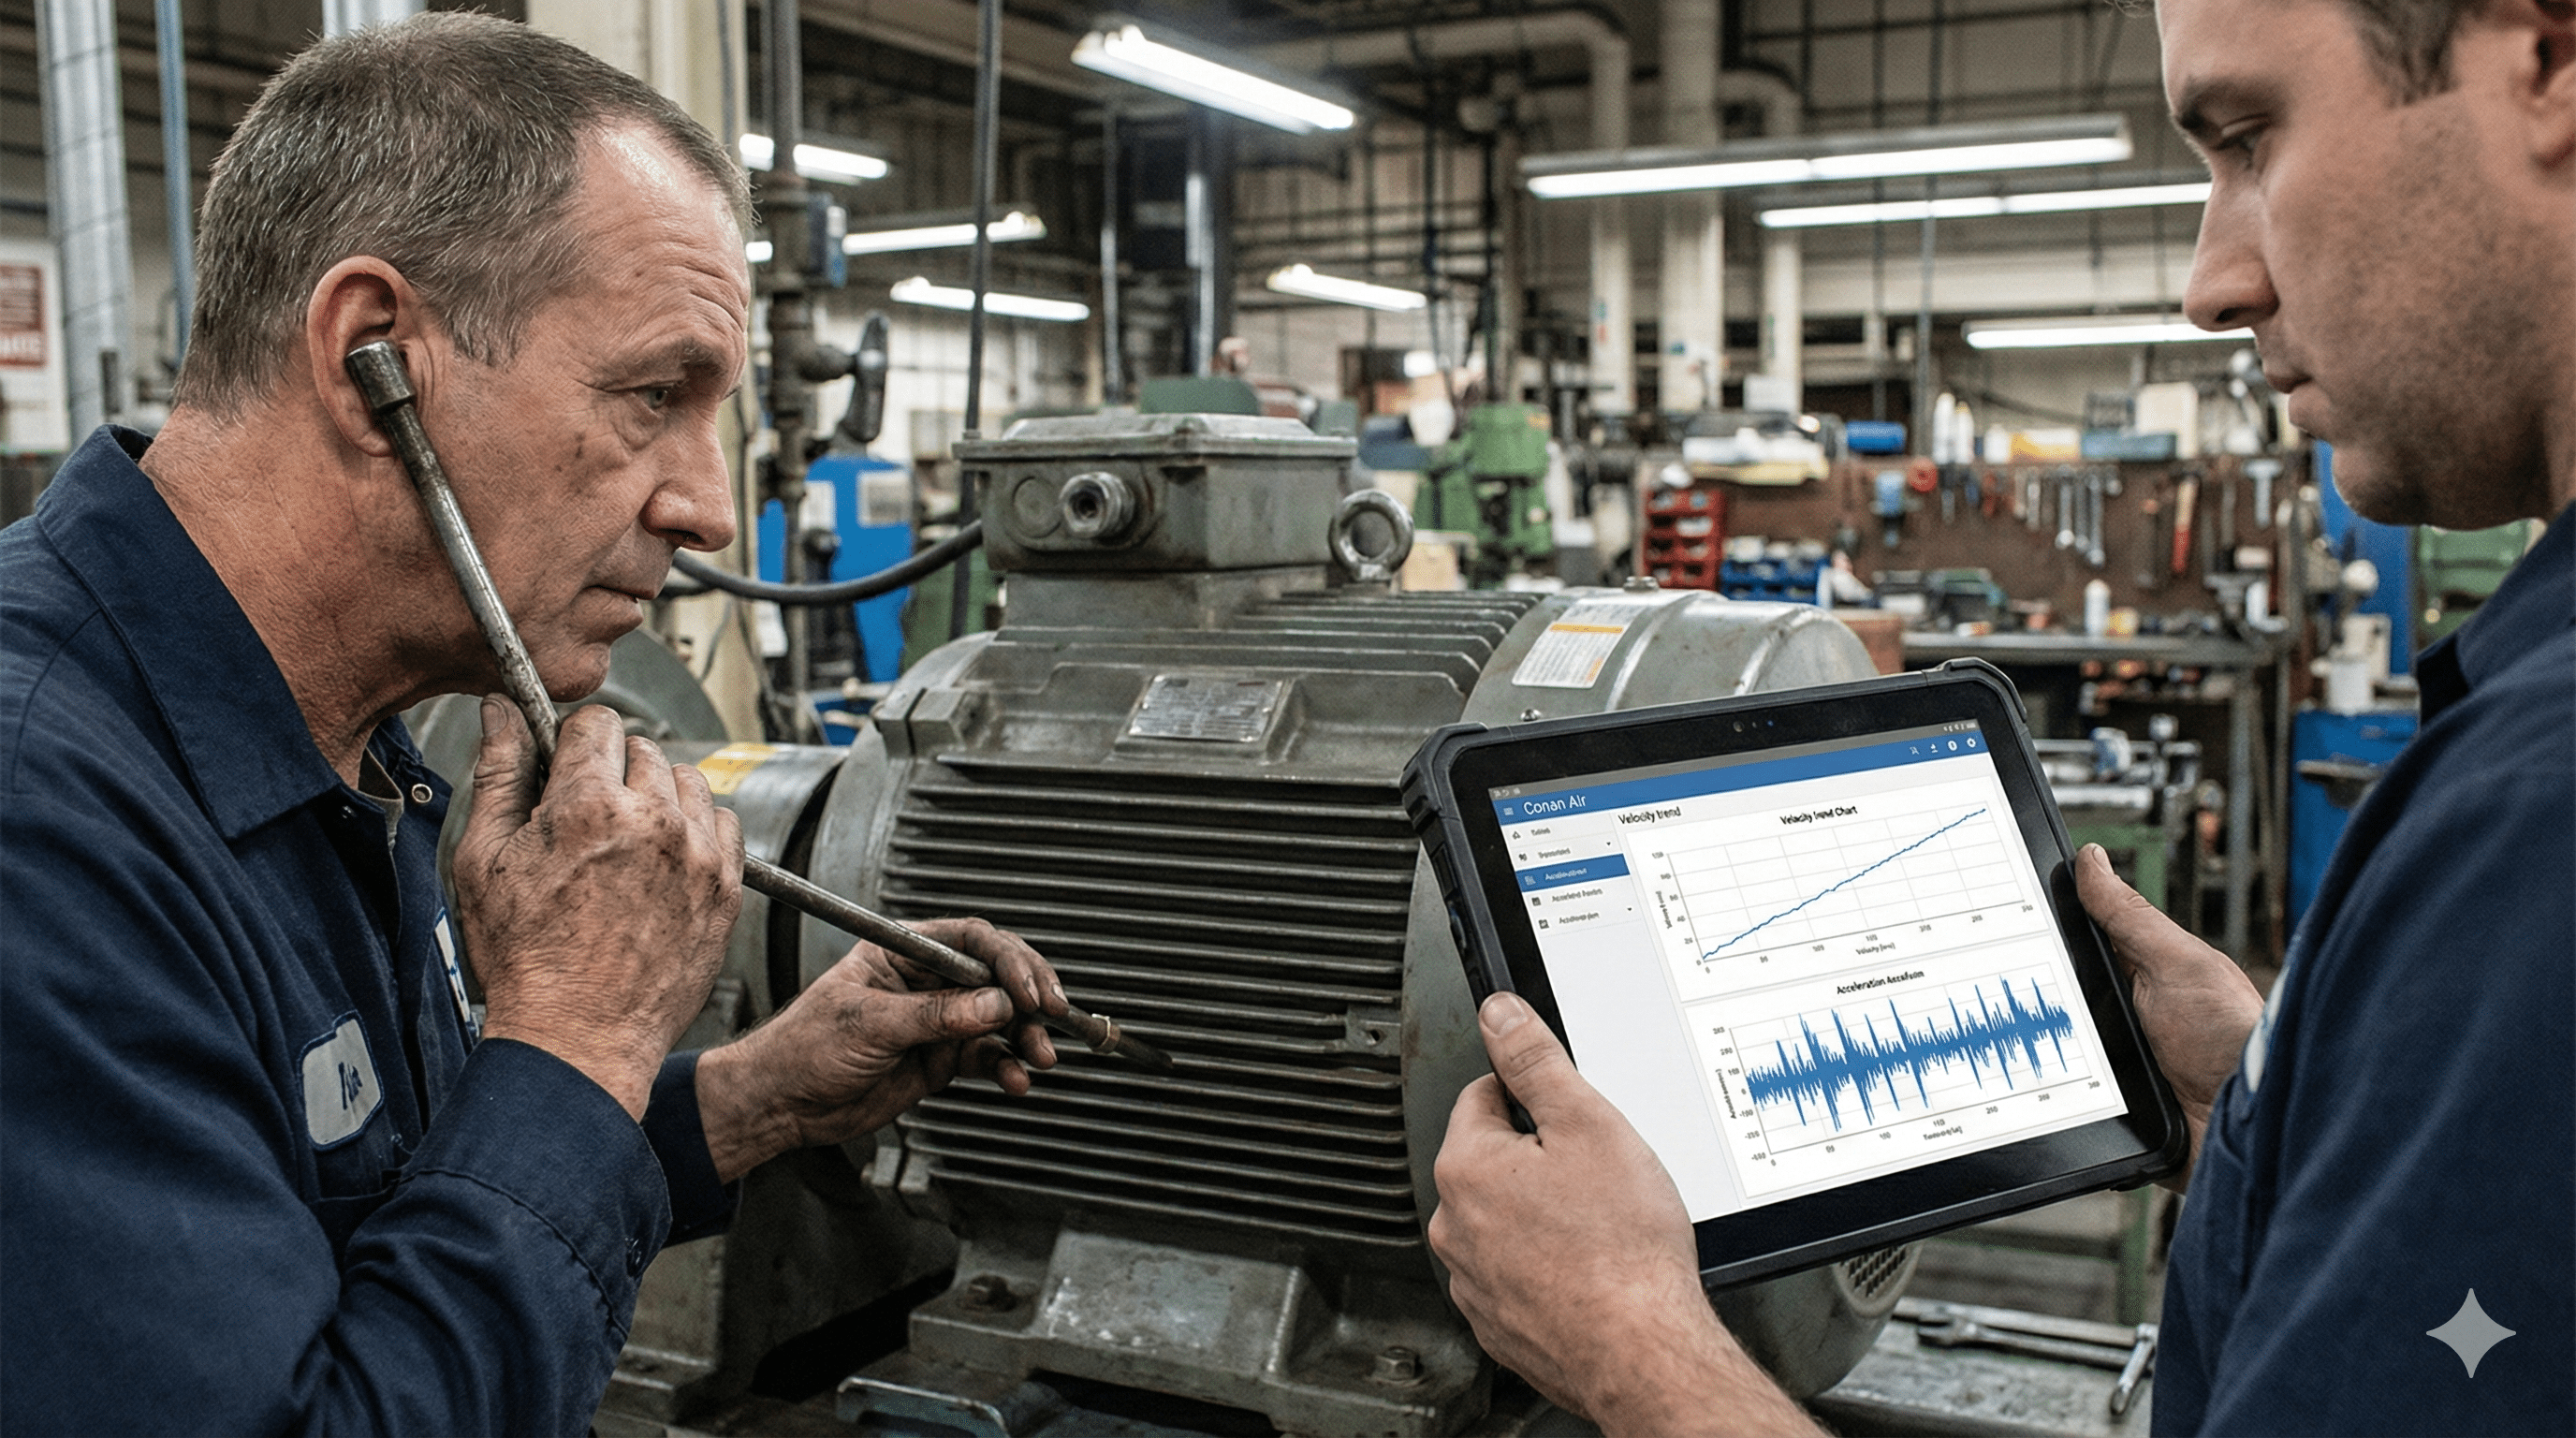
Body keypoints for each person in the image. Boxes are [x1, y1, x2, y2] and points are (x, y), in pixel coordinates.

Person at [1428, 0, 2575, 1432]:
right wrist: (2278, 1107)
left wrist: (1627, 1340)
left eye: (2248, 137)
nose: (2211, 283)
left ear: (2548, 57)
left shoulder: (2535, 816)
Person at [0, 15, 1070, 1434]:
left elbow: (386, 1213)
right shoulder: (43, 823)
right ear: (374, 359)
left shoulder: (354, 739)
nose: (706, 509)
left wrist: (756, 1100)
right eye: (654, 396)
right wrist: (579, 1030)